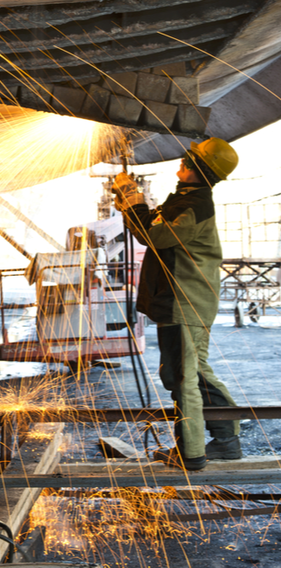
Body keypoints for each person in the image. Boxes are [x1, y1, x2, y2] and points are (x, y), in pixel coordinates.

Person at [114, 137, 241, 471]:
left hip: (185, 302)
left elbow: (154, 235)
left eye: (187, 160)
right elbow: (152, 225)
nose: (180, 163)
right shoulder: (186, 200)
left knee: (185, 378)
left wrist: (133, 201)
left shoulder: (195, 206)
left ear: (199, 167)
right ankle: (226, 438)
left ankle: (192, 453)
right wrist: (132, 204)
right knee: (187, 373)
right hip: (179, 302)